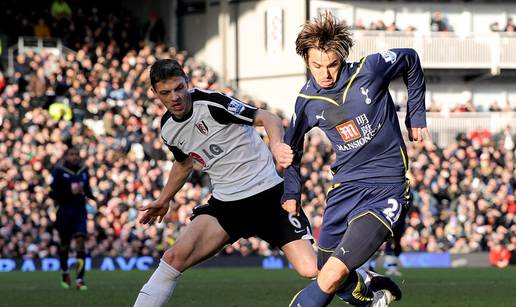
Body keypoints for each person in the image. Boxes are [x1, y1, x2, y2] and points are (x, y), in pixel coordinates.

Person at [133, 59, 317, 307]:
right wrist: (164, 199)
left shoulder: (211, 104)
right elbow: (183, 164)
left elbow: (268, 118)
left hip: (269, 196)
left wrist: (275, 146)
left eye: (179, 88)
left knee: (311, 268)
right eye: (165, 92)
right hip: (227, 205)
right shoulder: (168, 129)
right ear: (155, 93)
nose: (175, 97)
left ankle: (364, 280)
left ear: (187, 82)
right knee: (173, 258)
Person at [284, 12, 430, 307]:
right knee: (325, 269)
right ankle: (372, 292)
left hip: (386, 188)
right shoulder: (307, 101)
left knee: (330, 276)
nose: (325, 73)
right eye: (316, 66)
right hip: (344, 189)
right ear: (306, 61)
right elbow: (291, 148)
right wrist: (291, 192)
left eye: (332, 64)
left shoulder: (370, 70)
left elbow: (411, 59)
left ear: (342, 57)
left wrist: (416, 113)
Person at [49, 146, 96, 290]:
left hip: (80, 212)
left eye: (77, 154)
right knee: (65, 245)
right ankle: (64, 271)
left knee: (81, 242)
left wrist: (93, 197)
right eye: (72, 154)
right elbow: (52, 193)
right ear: (66, 156)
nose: (75, 157)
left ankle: (80, 279)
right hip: (64, 212)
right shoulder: (59, 171)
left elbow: (87, 189)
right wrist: (69, 192)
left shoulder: (84, 171)